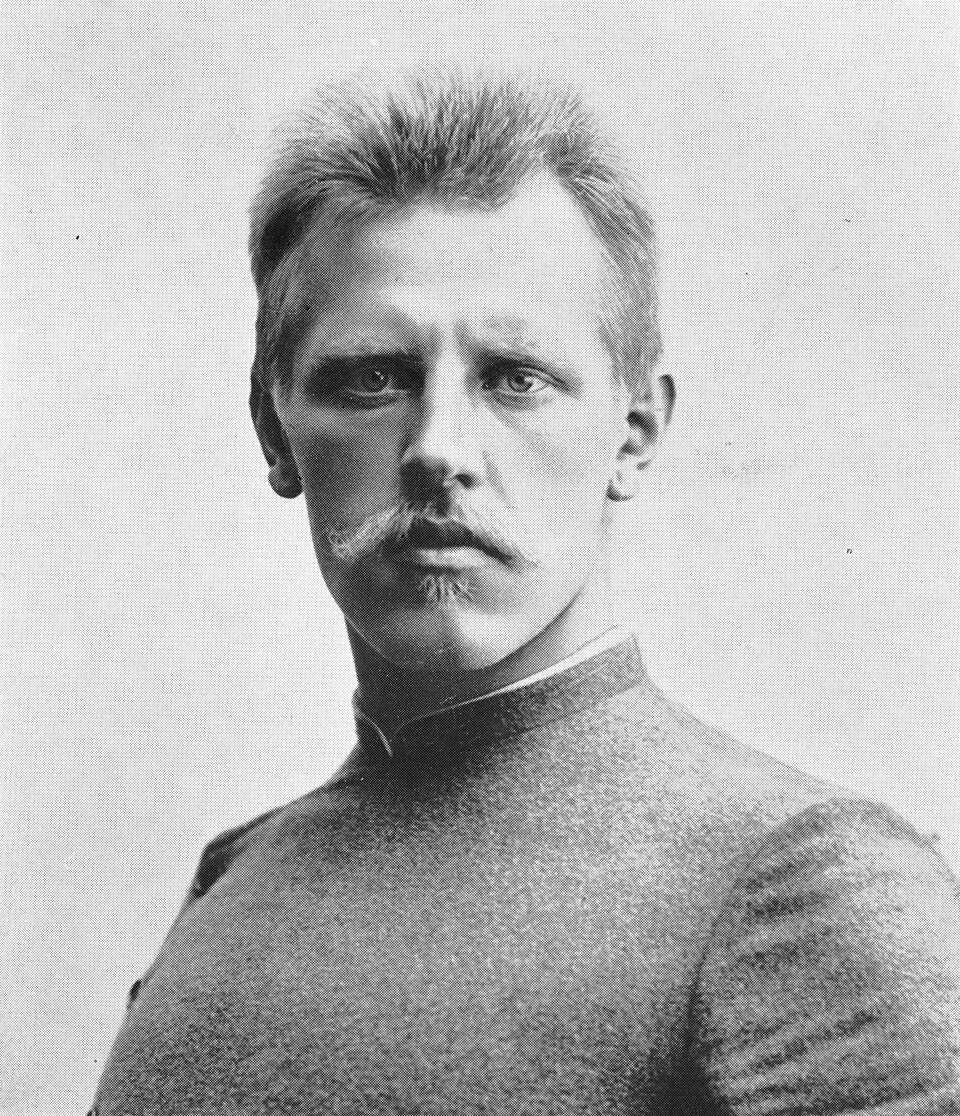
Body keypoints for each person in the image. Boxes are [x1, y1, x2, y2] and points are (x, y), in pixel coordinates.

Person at [90, 69, 959, 1115]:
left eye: (516, 377)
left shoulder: (801, 886)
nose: (438, 451)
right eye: (373, 377)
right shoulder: (232, 882)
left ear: (633, 432)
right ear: (274, 429)